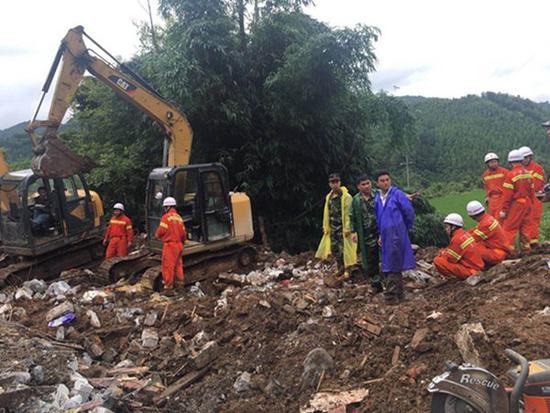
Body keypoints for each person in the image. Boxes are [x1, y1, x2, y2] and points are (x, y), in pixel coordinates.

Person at [374, 171, 415, 303]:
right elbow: (378, 218)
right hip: (385, 234)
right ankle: (399, 294)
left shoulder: (397, 195)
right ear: (377, 183)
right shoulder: (378, 198)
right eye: (382, 180)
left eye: (387, 180)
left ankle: (391, 295)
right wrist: (380, 234)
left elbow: (408, 212)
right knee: (390, 262)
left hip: (396, 233)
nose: (385, 182)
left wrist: (403, 227)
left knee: (392, 263)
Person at [315, 173, 357, 277]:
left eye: (336, 182)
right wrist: (326, 226)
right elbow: (326, 212)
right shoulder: (329, 197)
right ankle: (340, 268)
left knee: (345, 250)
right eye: (332, 182)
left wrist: (347, 227)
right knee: (335, 249)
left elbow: (349, 213)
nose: (335, 184)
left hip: (343, 228)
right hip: (333, 228)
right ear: (329, 184)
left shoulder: (346, 197)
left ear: (340, 182)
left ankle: (348, 269)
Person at [349, 174, 383, 293]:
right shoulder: (356, 200)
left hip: (381, 231)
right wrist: (353, 232)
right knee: (370, 259)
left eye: (368, 183)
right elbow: (351, 216)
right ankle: (376, 283)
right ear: (358, 186)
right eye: (363, 184)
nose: (366, 186)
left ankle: (389, 280)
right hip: (366, 234)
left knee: (385, 256)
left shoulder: (378, 194)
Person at [500, 149, 535, 253]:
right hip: (528, 203)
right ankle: (526, 249)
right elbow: (532, 191)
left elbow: (507, 195)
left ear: (510, 162)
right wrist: (531, 204)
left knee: (509, 228)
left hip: (517, 204)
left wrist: (504, 210)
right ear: (521, 160)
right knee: (526, 227)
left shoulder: (510, 175)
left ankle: (509, 251)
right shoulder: (528, 174)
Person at [434, 213, 485, 279]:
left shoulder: (457, 238)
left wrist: (443, 253)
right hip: (477, 267)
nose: (445, 229)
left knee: (437, 261)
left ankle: (453, 279)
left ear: (453, 227)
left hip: (471, 271)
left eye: (447, 227)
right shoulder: (464, 234)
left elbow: (451, 259)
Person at [155, 197, 187, 295]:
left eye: (165, 207)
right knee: (178, 266)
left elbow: (161, 231)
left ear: (168, 207)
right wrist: (183, 242)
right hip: (179, 244)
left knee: (168, 266)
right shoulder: (179, 217)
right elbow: (183, 233)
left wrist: (156, 236)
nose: (164, 209)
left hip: (170, 245)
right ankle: (180, 286)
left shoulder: (166, 217)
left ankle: (168, 289)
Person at [466, 200, 510, 266]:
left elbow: (470, 239)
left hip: (499, 253)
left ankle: (479, 267)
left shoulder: (485, 224)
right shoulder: (487, 219)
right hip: (501, 250)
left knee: (472, 248)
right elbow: (474, 230)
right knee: (478, 244)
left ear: (472, 216)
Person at [519, 146, 545, 247]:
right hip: (523, 199)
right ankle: (525, 243)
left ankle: (533, 242)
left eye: (526, 158)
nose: (524, 160)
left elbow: (538, 184)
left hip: (534, 198)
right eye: (522, 158)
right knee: (523, 221)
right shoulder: (520, 169)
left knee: (534, 220)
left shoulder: (537, 168)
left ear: (530, 157)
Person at [481, 153, 508, 220]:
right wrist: (487, 197)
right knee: (492, 220)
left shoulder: (505, 172)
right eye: (491, 162)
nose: (494, 164)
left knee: (502, 219)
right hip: (491, 201)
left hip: (502, 198)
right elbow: (486, 187)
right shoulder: (485, 175)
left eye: (495, 161)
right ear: (487, 164)